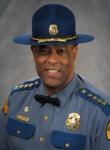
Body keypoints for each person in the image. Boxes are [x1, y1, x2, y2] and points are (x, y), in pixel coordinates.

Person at [0, 3, 110, 150]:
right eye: (44, 51)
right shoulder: (16, 99)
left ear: (74, 52)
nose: (52, 60)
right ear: (34, 53)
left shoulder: (100, 113)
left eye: (60, 51)